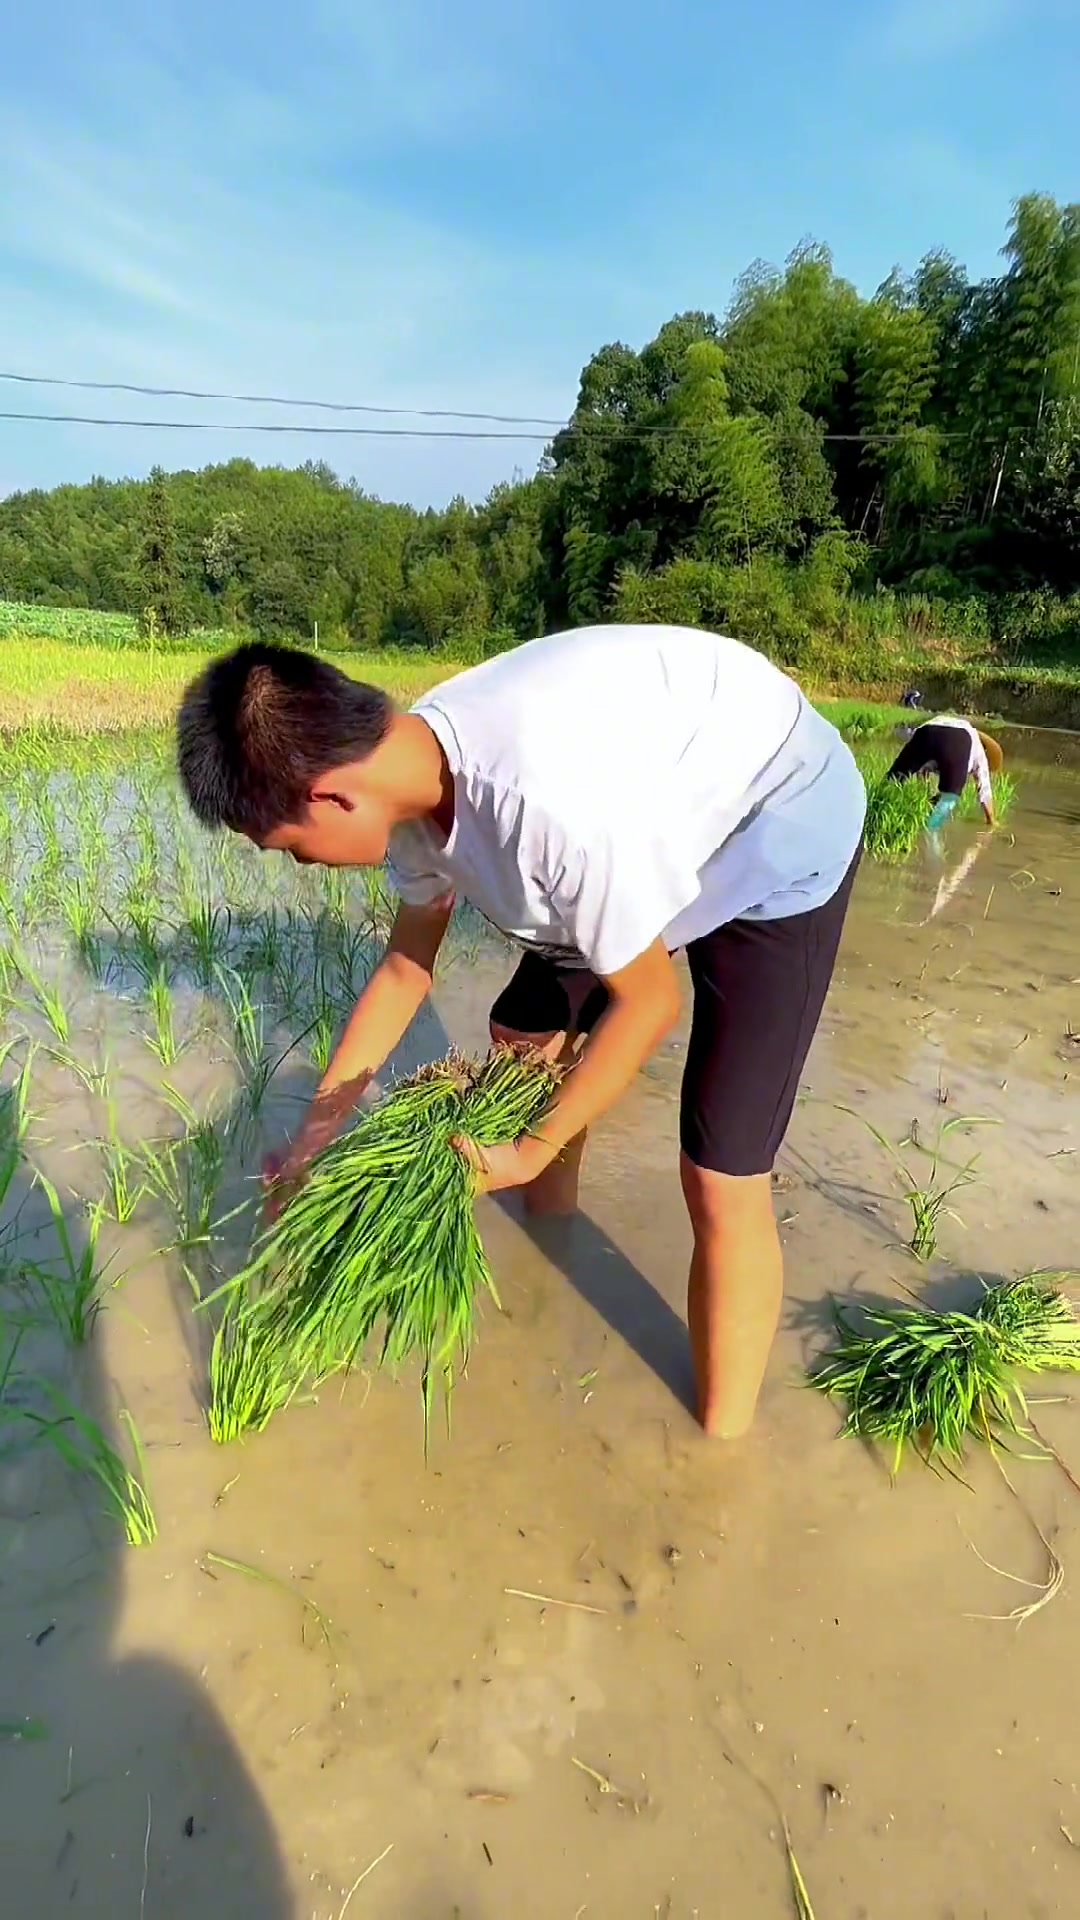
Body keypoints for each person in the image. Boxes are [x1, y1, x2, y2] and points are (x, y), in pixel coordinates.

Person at [176, 626, 865, 1439]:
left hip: (772, 824)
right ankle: (552, 1243)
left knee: (719, 1168)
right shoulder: (409, 781)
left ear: (331, 796)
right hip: (651, 811)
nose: (299, 866)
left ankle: (716, 1445)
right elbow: (406, 969)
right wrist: (313, 1139)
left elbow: (649, 1005)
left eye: (288, 848)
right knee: (522, 1038)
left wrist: (533, 1147)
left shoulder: (546, 810)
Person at [885, 714, 1001, 830]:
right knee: (949, 797)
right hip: (959, 740)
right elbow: (984, 790)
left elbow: (922, 770)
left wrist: (925, 797)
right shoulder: (979, 750)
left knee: (892, 780)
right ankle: (931, 834)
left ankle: (877, 815)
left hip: (926, 731)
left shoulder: (966, 732)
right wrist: (991, 821)